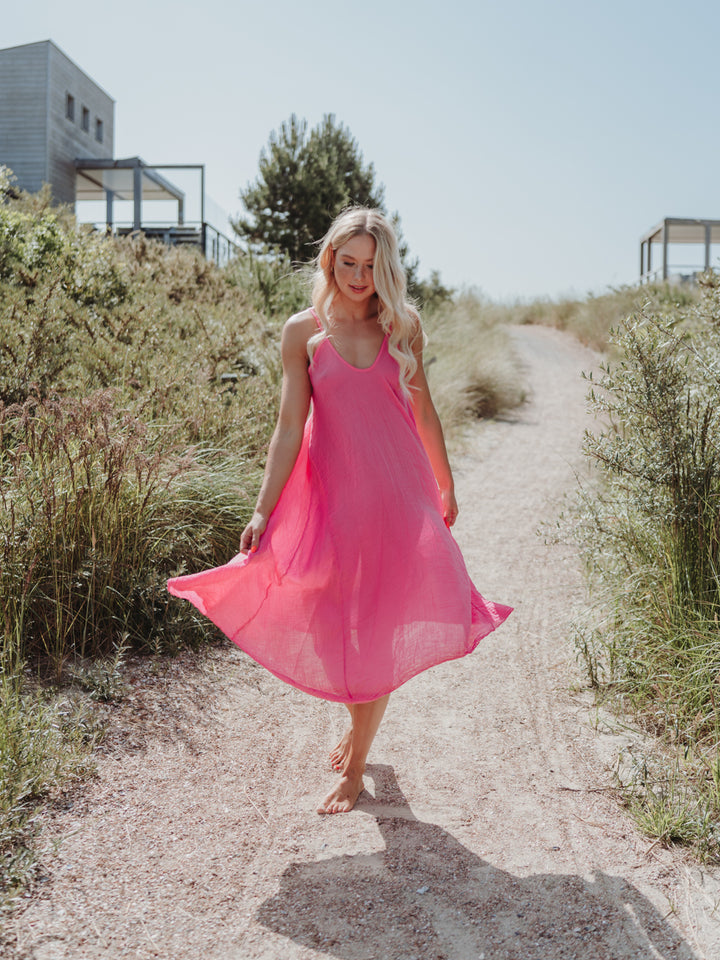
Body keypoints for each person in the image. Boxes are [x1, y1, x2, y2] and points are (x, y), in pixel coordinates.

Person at [167, 206, 512, 815]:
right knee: (332, 623)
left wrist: (446, 482)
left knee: (376, 625)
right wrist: (260, 509)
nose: (358, 276)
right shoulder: (304, 331)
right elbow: (287, 426)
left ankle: (356, 769)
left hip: (398, 497)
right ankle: (359, 724)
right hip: (328, 499)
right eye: (348, 262)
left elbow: (424, 411)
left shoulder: (403, 327)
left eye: (370, 265)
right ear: (330, 259)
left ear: (385, 268)